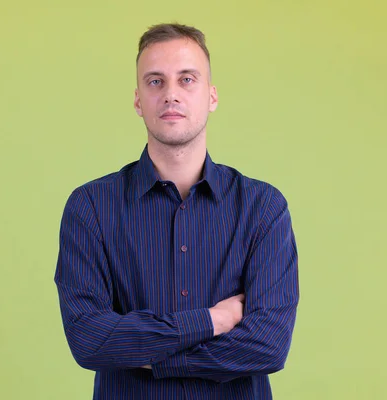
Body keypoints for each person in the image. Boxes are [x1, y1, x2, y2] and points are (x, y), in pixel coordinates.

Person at [54, 23, 299, 400]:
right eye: (155, 82)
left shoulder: (263, 208)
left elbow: (267, 346)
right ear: (138, 101)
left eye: (187, 79)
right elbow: (90, 340)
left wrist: (155, 359)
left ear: (211, 96)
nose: (171, 94)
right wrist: (212, 320)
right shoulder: (91, 207)